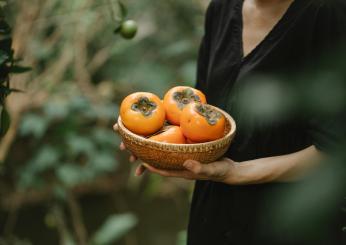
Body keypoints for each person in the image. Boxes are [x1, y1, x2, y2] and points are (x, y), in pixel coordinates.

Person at [114, 0, 346, 244]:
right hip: (214, 216)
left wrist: (238, 172)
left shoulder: (329, 12)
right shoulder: (221, 8)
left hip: (291, 225)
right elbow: (199, 115)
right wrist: (154, 142)